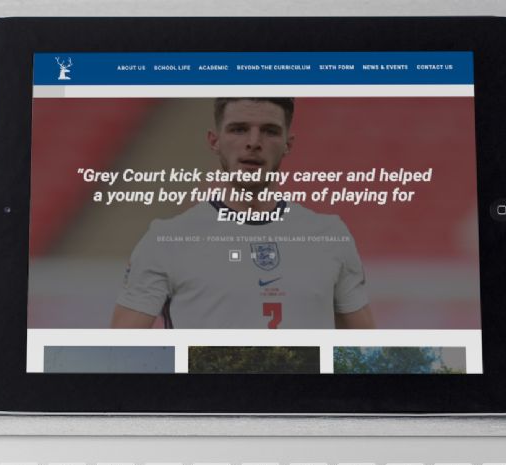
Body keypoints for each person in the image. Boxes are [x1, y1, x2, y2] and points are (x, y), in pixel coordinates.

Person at [111, 97, 375, 329]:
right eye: (239, 130)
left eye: (270, 131)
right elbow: (120, 353)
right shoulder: (166, 240)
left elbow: (365, 351)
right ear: (214, 141)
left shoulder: (330, 236)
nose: (253, 142)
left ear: (288, 144)